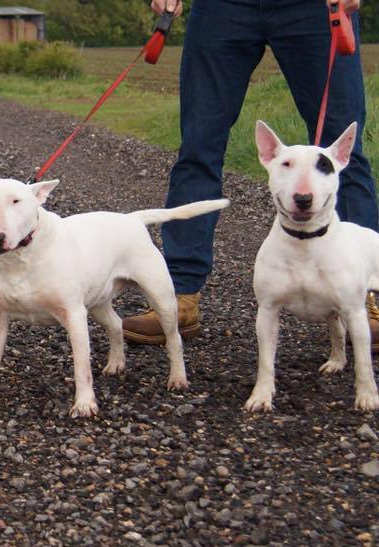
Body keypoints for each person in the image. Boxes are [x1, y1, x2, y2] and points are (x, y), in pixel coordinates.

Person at [122, 0, 379, 346]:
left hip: (317, 8)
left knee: (341, 150)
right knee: (198, 146)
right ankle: (179, 297)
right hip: (221, 9)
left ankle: (364, 297)